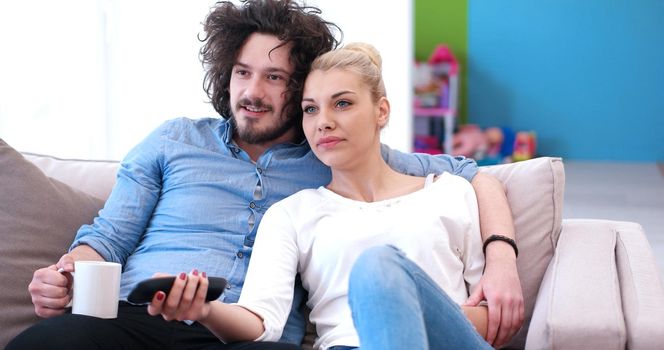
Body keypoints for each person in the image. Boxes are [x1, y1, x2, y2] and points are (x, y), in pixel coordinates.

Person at [8, 1, 522, 349]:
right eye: (242, 72)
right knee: (45, 344)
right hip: (137, 320)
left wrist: (501, 259)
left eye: (273, 77)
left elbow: (471, 174)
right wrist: (65, 273)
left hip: (247, 336)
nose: (251, 91)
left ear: (297, 87)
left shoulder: (329, 151)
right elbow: (109, 236)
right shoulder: (174, 140)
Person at [147, 42, 495, 350]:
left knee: (378, 265)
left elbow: (491, 316)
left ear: (381, 111)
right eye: (311, 109)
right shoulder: (292, 214)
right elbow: (261, 323)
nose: (323, 122)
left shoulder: (449, 191)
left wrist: (397, 314)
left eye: (342, 104)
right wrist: (204, 309)